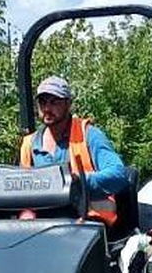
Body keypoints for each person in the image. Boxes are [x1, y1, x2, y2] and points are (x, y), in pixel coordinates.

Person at [19, 76, 128, 225]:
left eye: (54, 102)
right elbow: (22, 191)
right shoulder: (29, 144)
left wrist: (79, 181)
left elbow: (118, 174)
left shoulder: (89, 135)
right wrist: (26, 213)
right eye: (42, 102)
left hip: (89, 224)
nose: (47, 109)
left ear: (68, 104)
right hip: (44, 226)